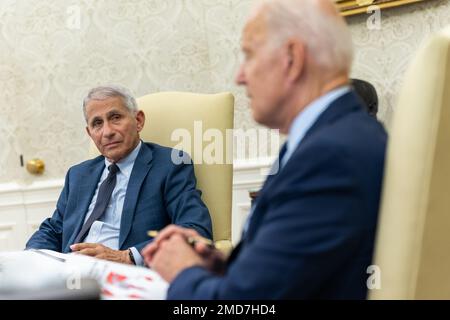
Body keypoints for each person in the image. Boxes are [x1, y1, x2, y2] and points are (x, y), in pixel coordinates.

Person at [142, 0, 387, 299]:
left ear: (292, 58)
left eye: (249, 56)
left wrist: (182, 271)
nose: (240, 76)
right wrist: (219, 264)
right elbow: (296, 275)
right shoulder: (337, 137)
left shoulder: (329, 157)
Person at [26, 85, 212, 266]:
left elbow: (194, 229)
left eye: (115, 118)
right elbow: (54, 229)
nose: (107, 132)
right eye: (97, 123)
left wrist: (126, 256)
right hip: (70, 274)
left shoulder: (170, 164)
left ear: (138, 120)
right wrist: (30, 259)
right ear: (90, 133)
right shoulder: (78, 174)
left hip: (125, 275)